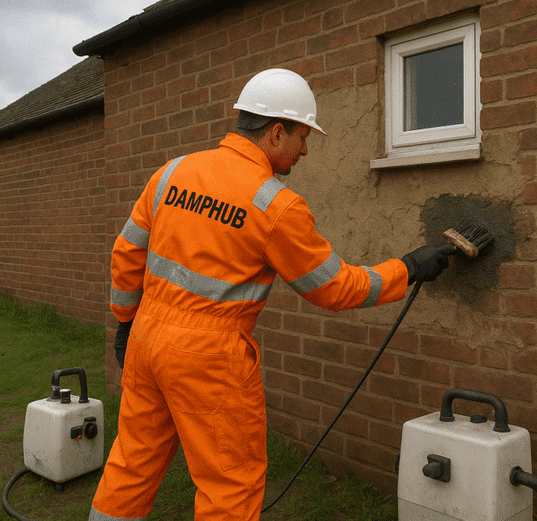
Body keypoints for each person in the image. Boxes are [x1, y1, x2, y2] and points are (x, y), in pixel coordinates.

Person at [89, 68, 449, 521]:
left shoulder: (174, 171)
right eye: (302, 136)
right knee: (229, 486)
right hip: (210, 356)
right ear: (277, 132)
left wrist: (124, 323)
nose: (305, 148)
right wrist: (410, 268)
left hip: (146, 339)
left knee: (131, 463)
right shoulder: (275, 205)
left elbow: (127, 253)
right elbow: (334, 288)